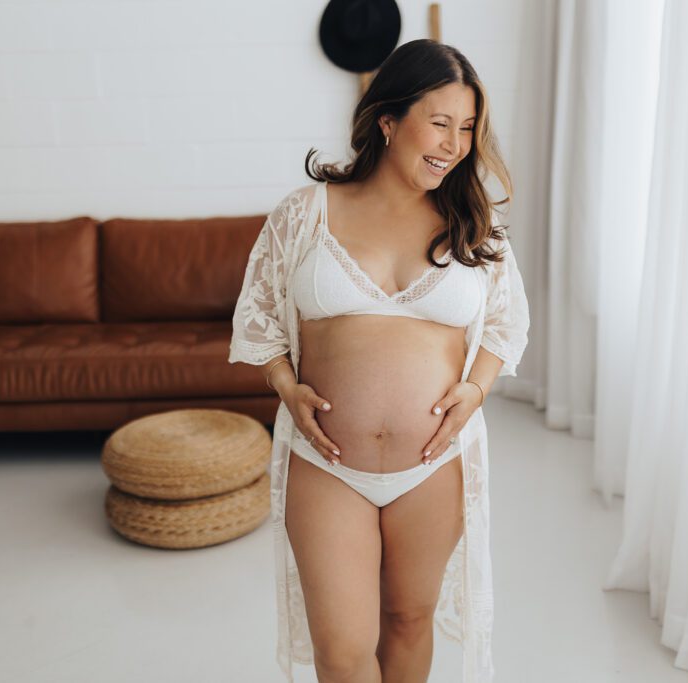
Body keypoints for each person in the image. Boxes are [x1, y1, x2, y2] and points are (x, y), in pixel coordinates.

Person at [228, 38, 530, 683]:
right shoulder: (306, 214)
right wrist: (286, 385)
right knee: (342, 653)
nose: (454, 144)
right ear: (389, 120)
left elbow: (506, 327)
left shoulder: (476, 227)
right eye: (440, 123)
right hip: (329, 464)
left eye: (468, 128)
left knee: (407, 623)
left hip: (433, 465)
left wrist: (474, 392)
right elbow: (257, 313)